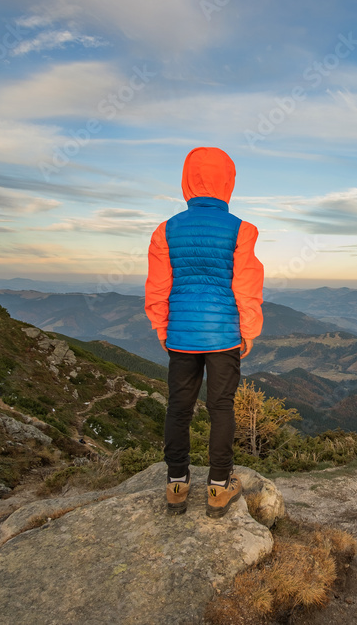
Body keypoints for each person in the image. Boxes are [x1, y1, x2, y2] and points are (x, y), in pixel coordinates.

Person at [144, 147, 264, 517]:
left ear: (187, 180)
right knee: (220, 407)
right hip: (224, 334)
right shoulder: (242, 230)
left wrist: (162, 328)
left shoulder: (165, 230)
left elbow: (157, 287)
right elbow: (246, 285)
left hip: (180, 334)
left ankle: (177, 484)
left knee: (179, 408)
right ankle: (217, 487)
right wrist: (248, 330)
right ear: (228, 182)